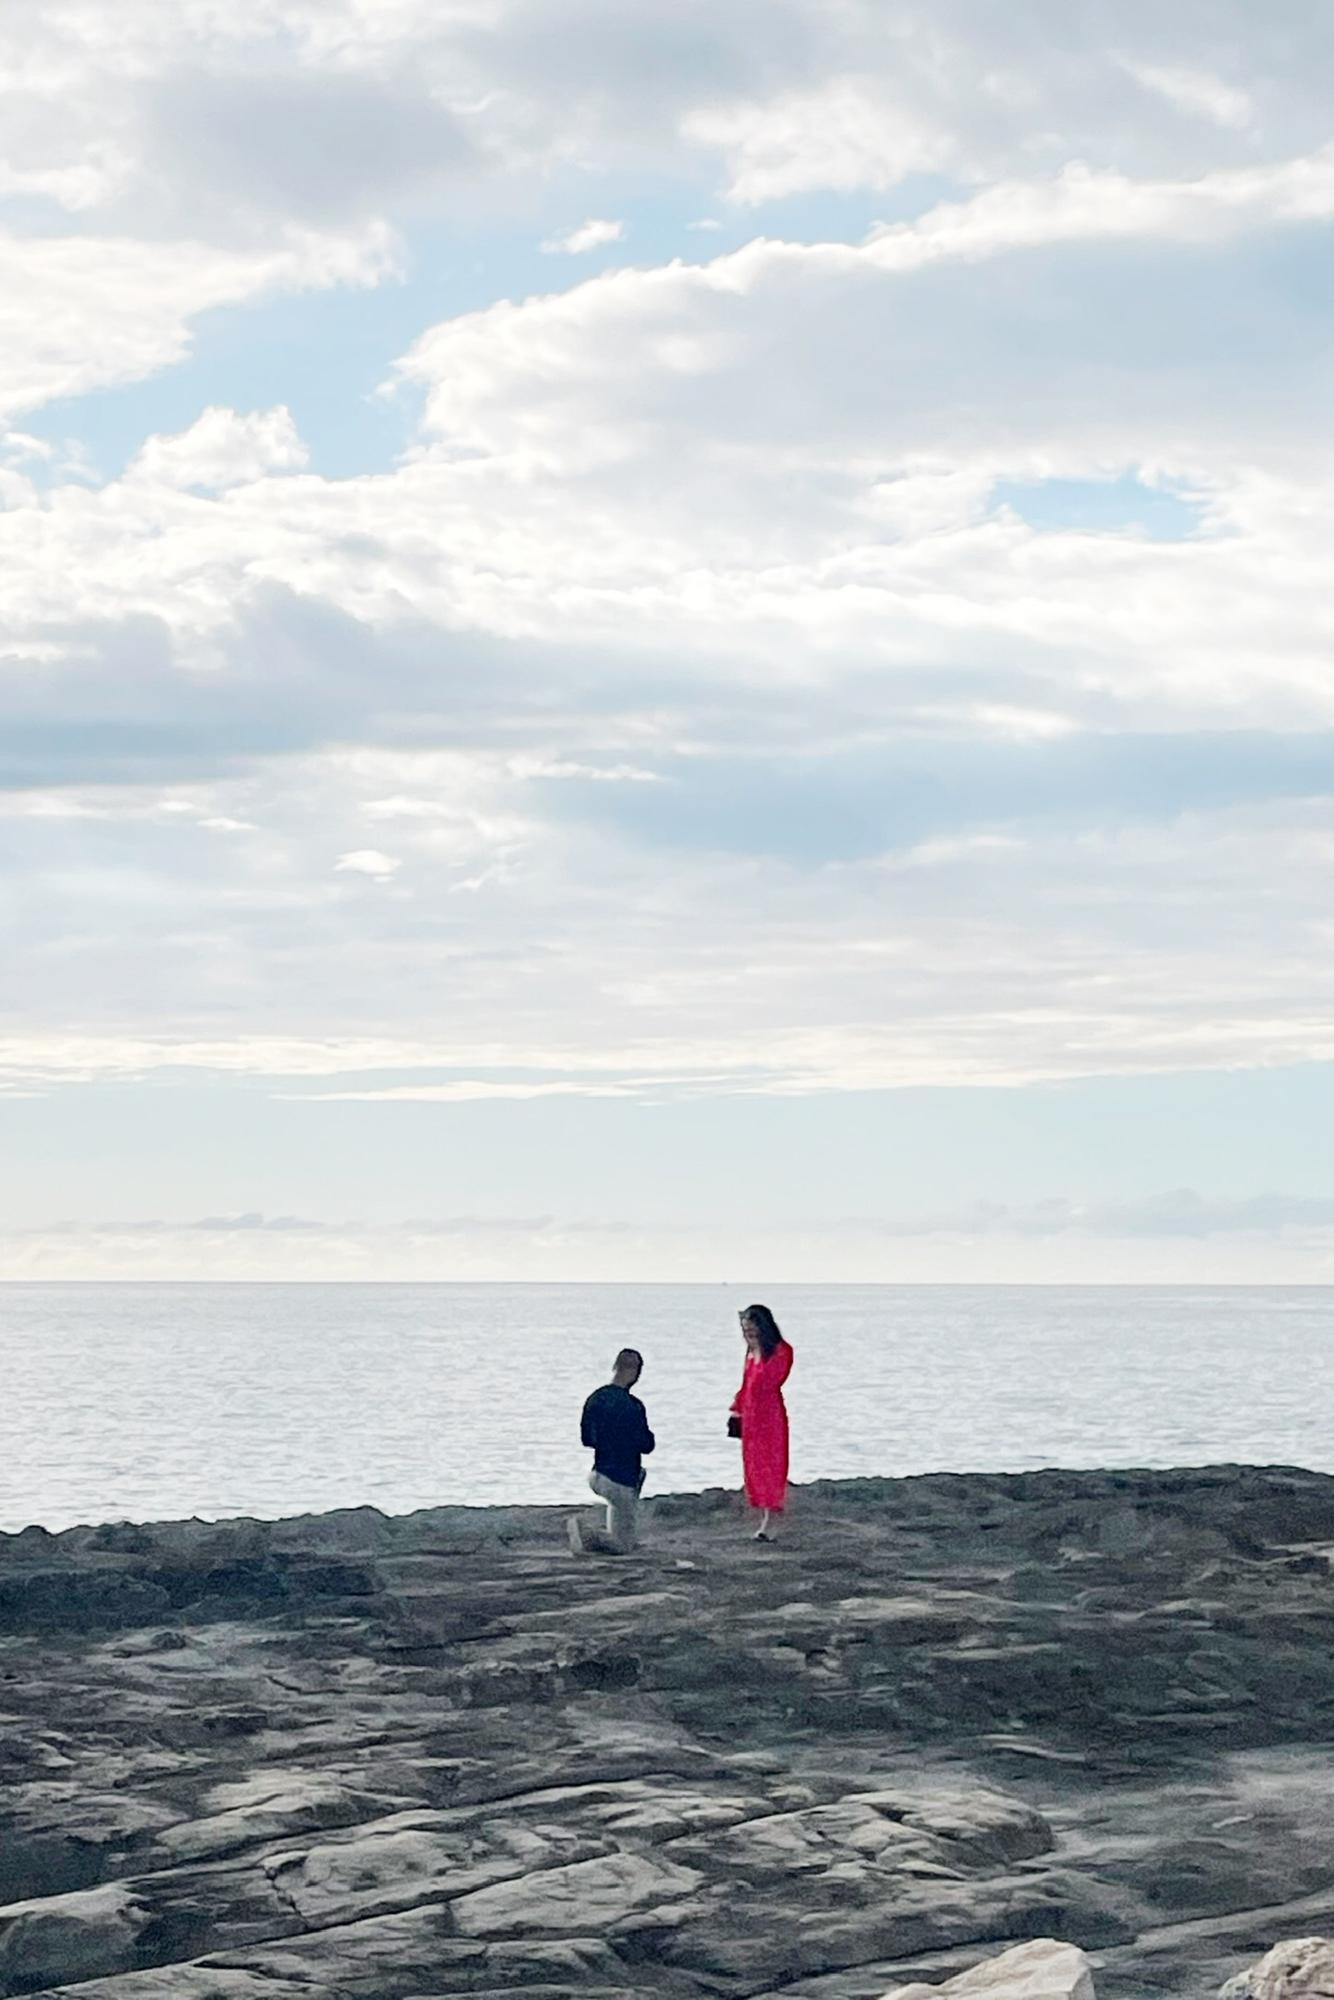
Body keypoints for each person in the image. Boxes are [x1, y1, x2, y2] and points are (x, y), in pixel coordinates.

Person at [569, 1348, 655, 1555]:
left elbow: (587, 1440)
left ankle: (617, 1535)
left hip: (597, 1475)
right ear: (635, 1372)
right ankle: (588, 1533)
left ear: (615, 1367)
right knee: (622, 1547)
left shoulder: (595, 1399)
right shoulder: (633, 1407)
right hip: (621, 1481)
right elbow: (647, 1445)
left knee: (620, 1517)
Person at [729, 1304, 793, 1540]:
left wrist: (757, 1351)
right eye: (745, 1331)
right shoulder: (750, 1353)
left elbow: (769, 1381)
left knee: (771, 1464)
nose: (748, 1335)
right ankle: (762, 1512)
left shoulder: (780, 1351)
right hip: (751, 1416)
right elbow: (746, 1384)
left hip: (769, 1415)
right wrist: (737, 1409)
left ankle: (772, 1516)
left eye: (752, 1330)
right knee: (754, 1465)